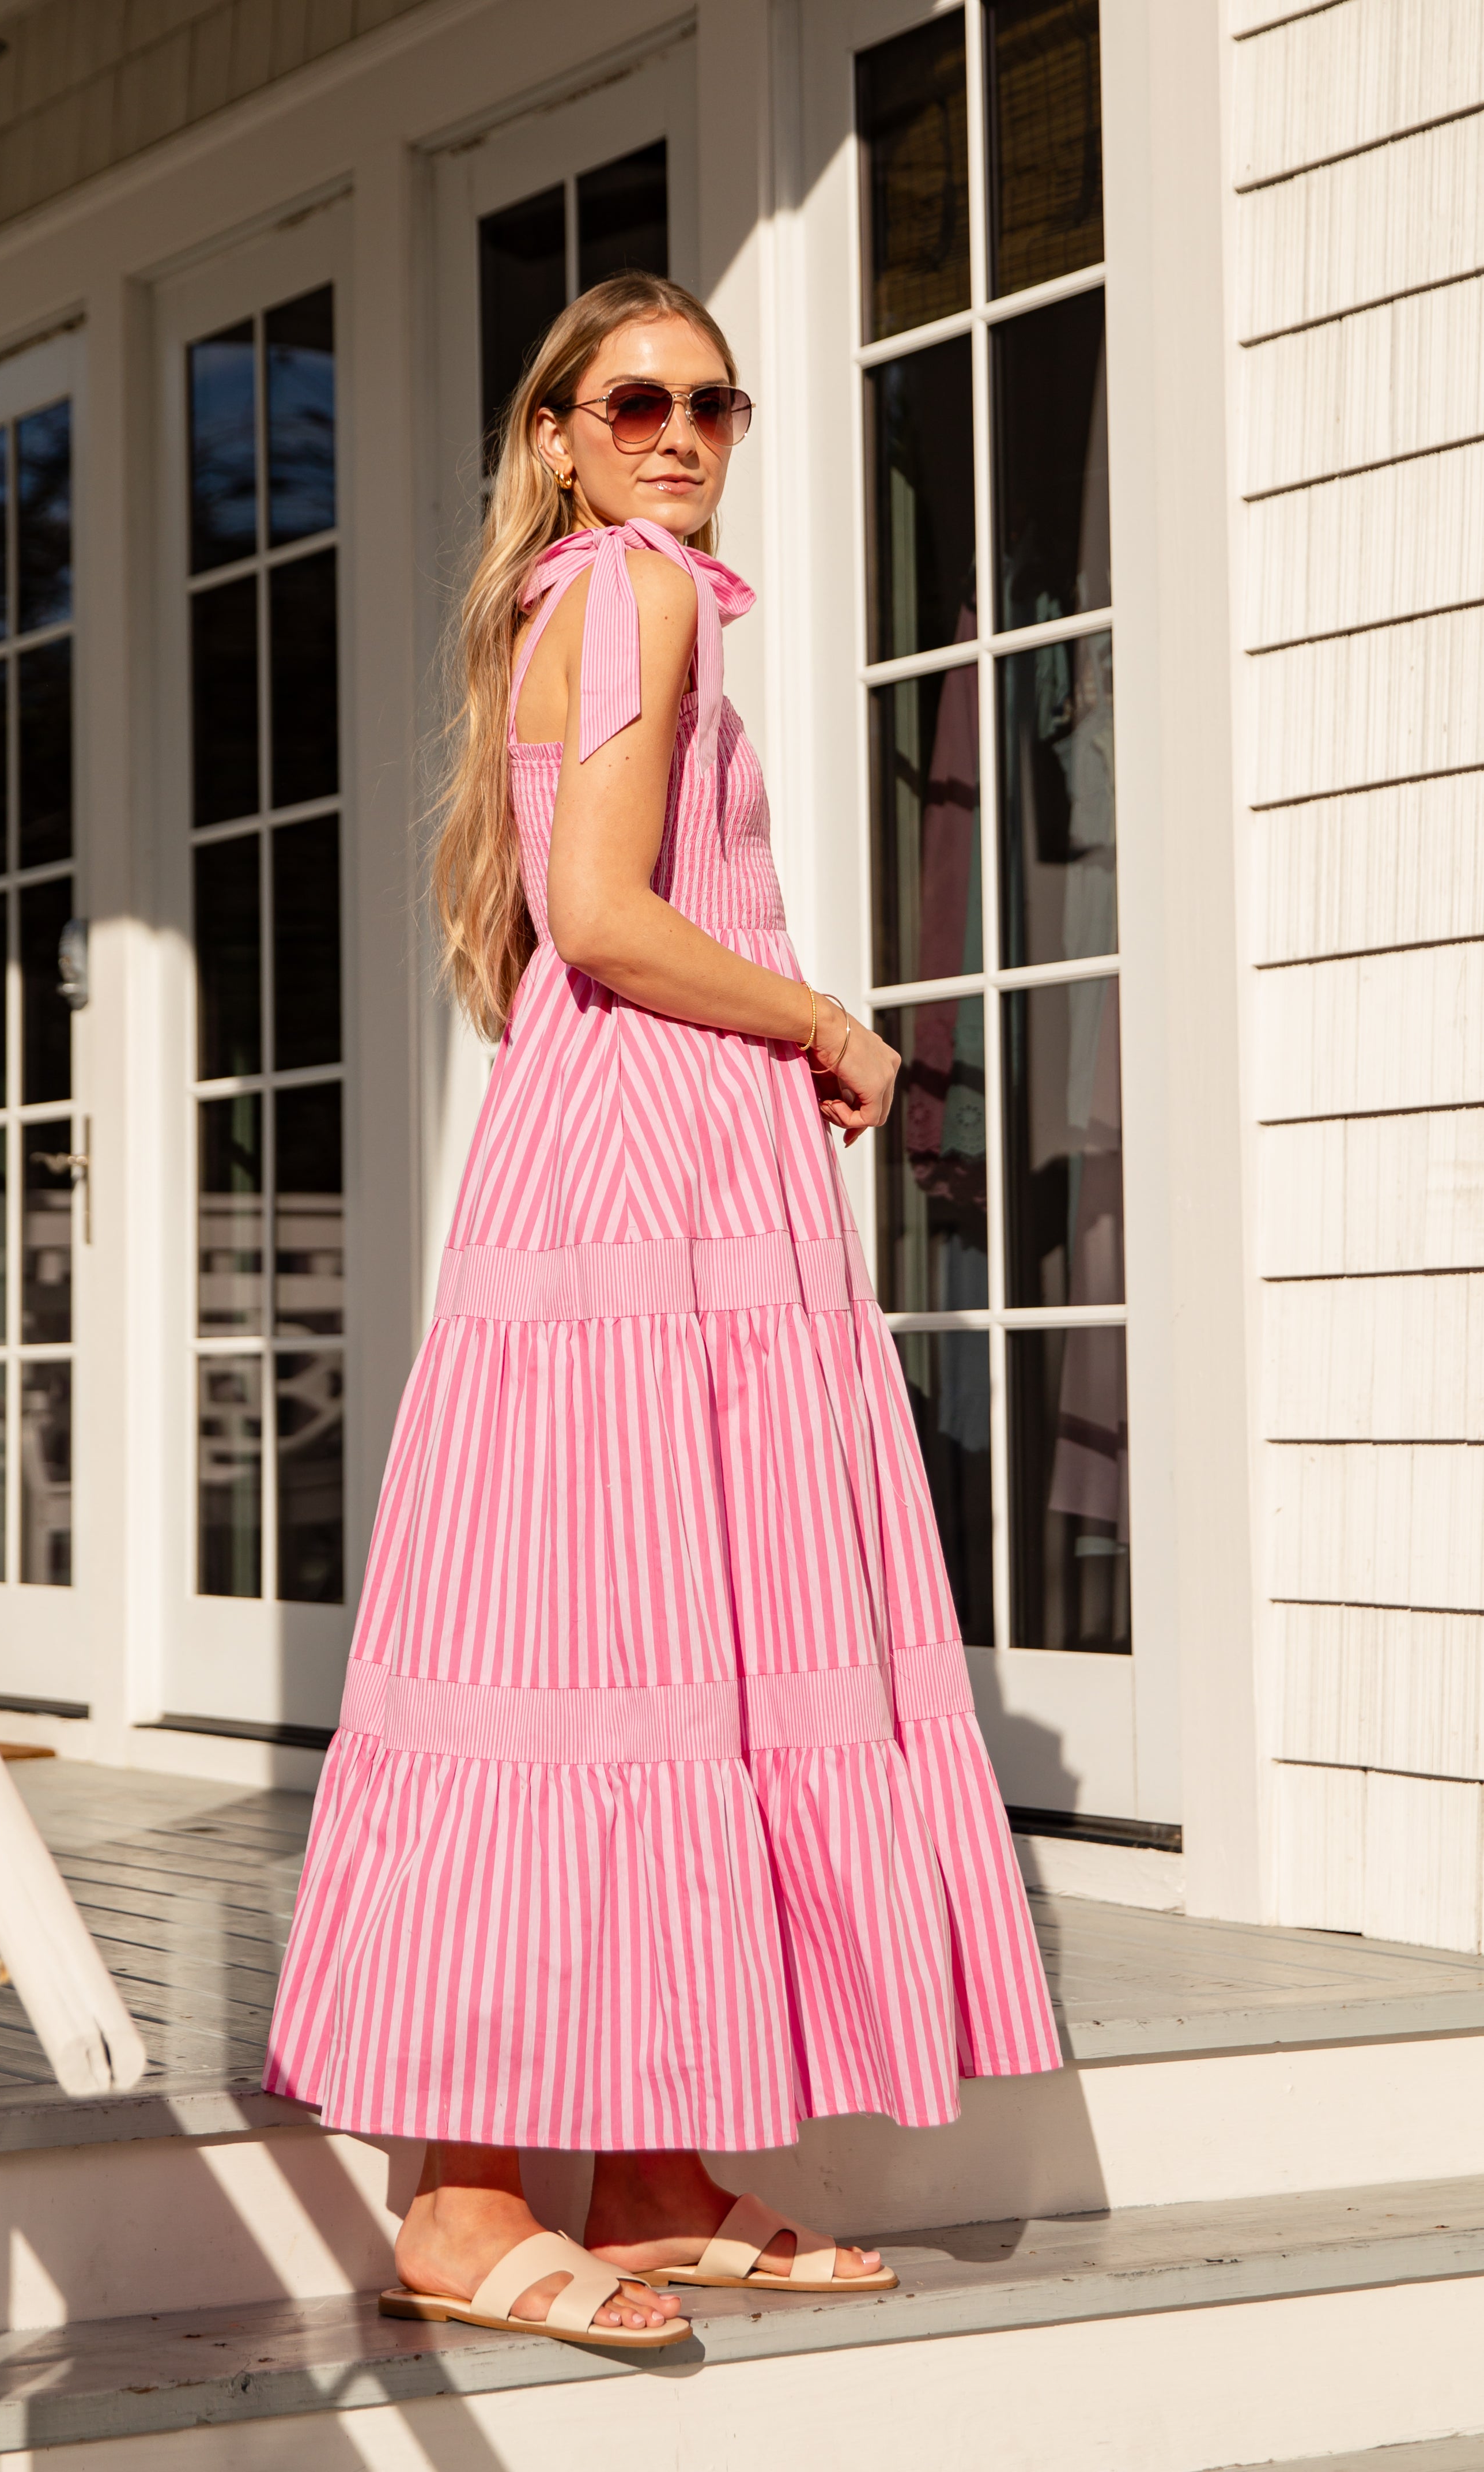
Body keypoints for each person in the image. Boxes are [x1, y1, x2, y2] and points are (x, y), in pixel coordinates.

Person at [265, 271, 1060, 2351]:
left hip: (644, 1152)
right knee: (569, 1634)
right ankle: (455, 2200)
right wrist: (828, 1019)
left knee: (658, 1624)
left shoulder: (589, 599)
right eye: (632, 401)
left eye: (711, 401)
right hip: (648, 1154)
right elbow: (606, 917)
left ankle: (642, 2165)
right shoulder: (634, 592)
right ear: (557, 434)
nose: (680, 431)